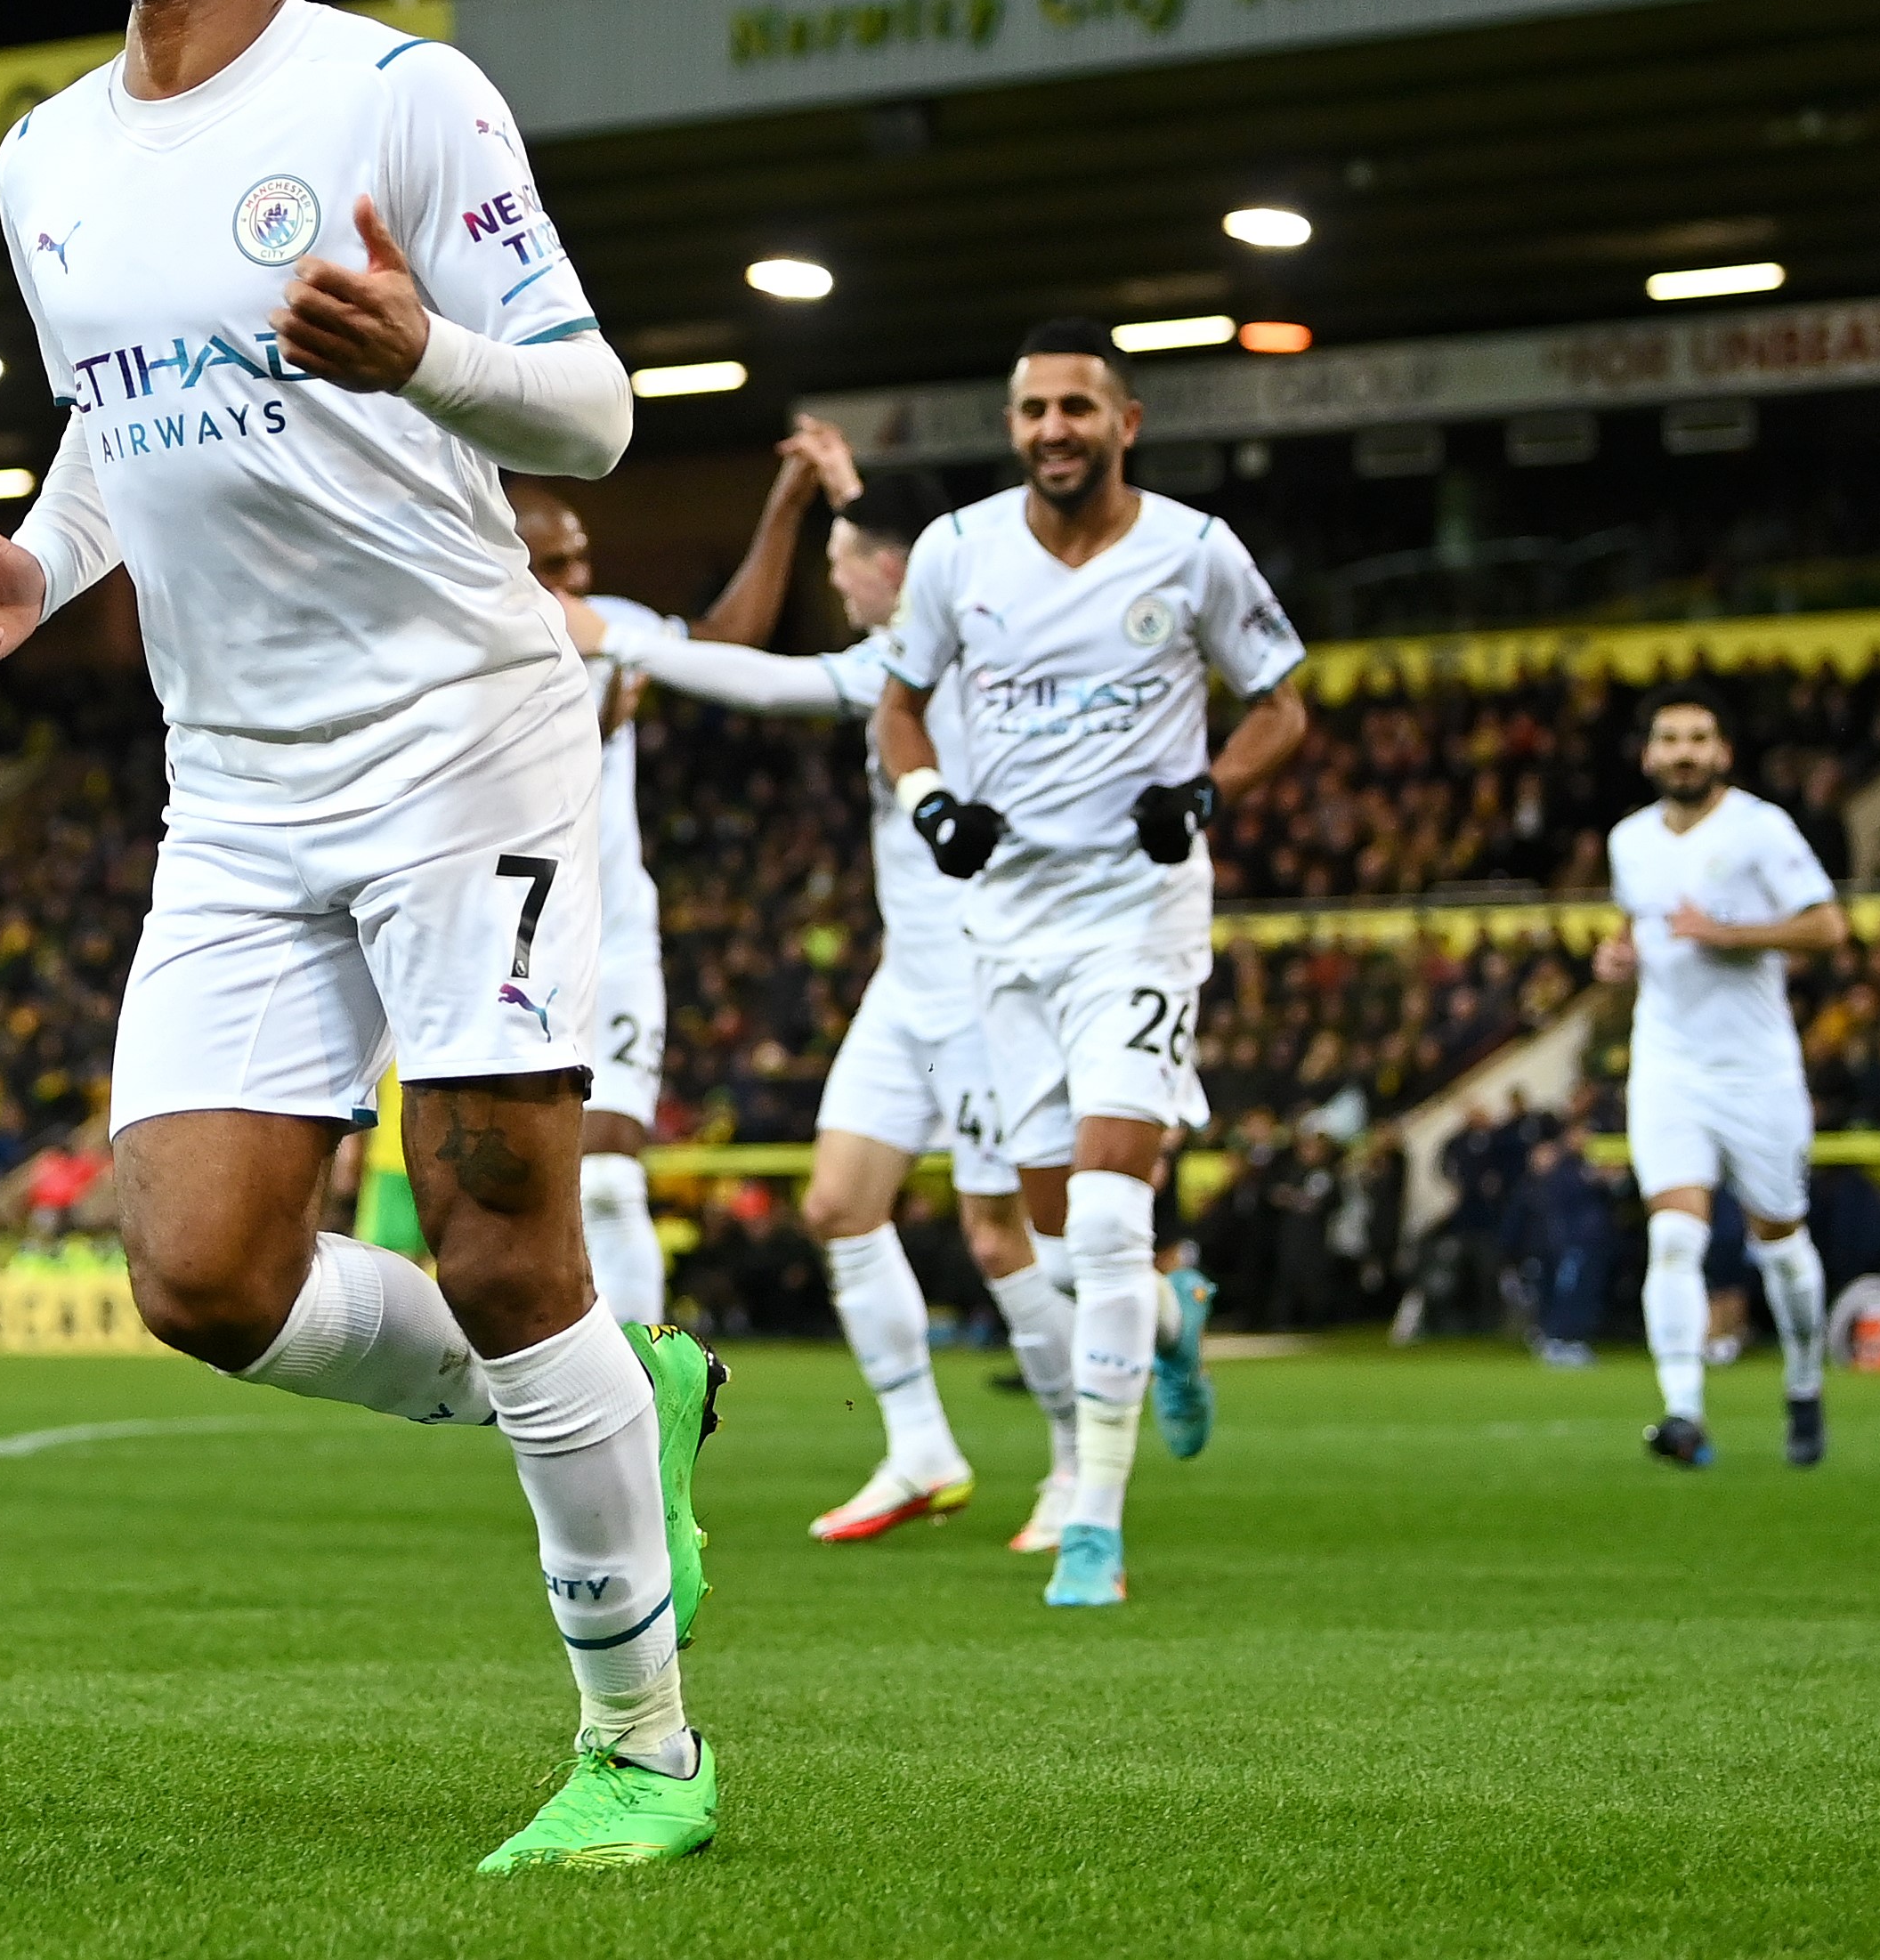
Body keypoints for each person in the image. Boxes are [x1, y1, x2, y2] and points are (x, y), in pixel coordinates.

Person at [0, 0, 717, 1873]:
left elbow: (593, 413)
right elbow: (115, 402)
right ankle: (612, 1393)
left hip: (460, 722)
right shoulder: (42, 154)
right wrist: (37, 557)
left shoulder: (398, 98)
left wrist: (422, 354)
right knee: (196, 1271)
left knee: (490, 1227)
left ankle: (637, 1741)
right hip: (233, 774)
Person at [565, 437, 1092, 1555]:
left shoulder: (936, 655)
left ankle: (1080, 1463)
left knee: (1000, 1237)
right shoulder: (917, 628)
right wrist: (843, 494)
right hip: (912, 981)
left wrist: (618, 637)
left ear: (890, 569)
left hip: (986, 979)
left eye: (848, 560)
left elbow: (774, 677)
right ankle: (922, 1447)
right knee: (840, 1203)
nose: (837, 583)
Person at [875, 318, 1309, 1608]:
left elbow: (1280, 700)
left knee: (1110, 1215)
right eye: (1031, 412)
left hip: (1137, 917)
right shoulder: (955, 553)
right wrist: (930, 803)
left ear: (1125, 422)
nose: (1051, 430)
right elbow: (900, 702)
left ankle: (1093, 1527)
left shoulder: (1192, 550)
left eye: (1076, 407)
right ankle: (1174, 1321)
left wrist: (1205, 789)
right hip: (1005, 930)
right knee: (1067, 1250)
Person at [513, 440, 826, 1323]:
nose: (579, 577)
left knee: (609, 1179)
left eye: (581, 556)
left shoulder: (605, 627)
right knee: (523, 1188)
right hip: (511, 936)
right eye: (555, 564)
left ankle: (652, 1399)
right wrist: (580, 718)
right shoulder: (460, 646)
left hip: (611, 930)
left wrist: (786, 506)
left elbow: (730, 643)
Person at [1591, 688, 1846, 1470]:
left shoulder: (1761, 829)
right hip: (1667, 1063)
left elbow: (1827, 926)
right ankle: (1682, 1412)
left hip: (1756, 1069)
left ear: (1722, 753)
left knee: (1779, 1238)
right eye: (1669, 739)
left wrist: (1728, 935)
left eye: (1698, 738)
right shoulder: (1628, 840)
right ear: (1647, 755)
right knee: (1673, 1233)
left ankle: (1803, 1380)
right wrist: (1615, 961)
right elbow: (1637, 927)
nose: (1683, 752)